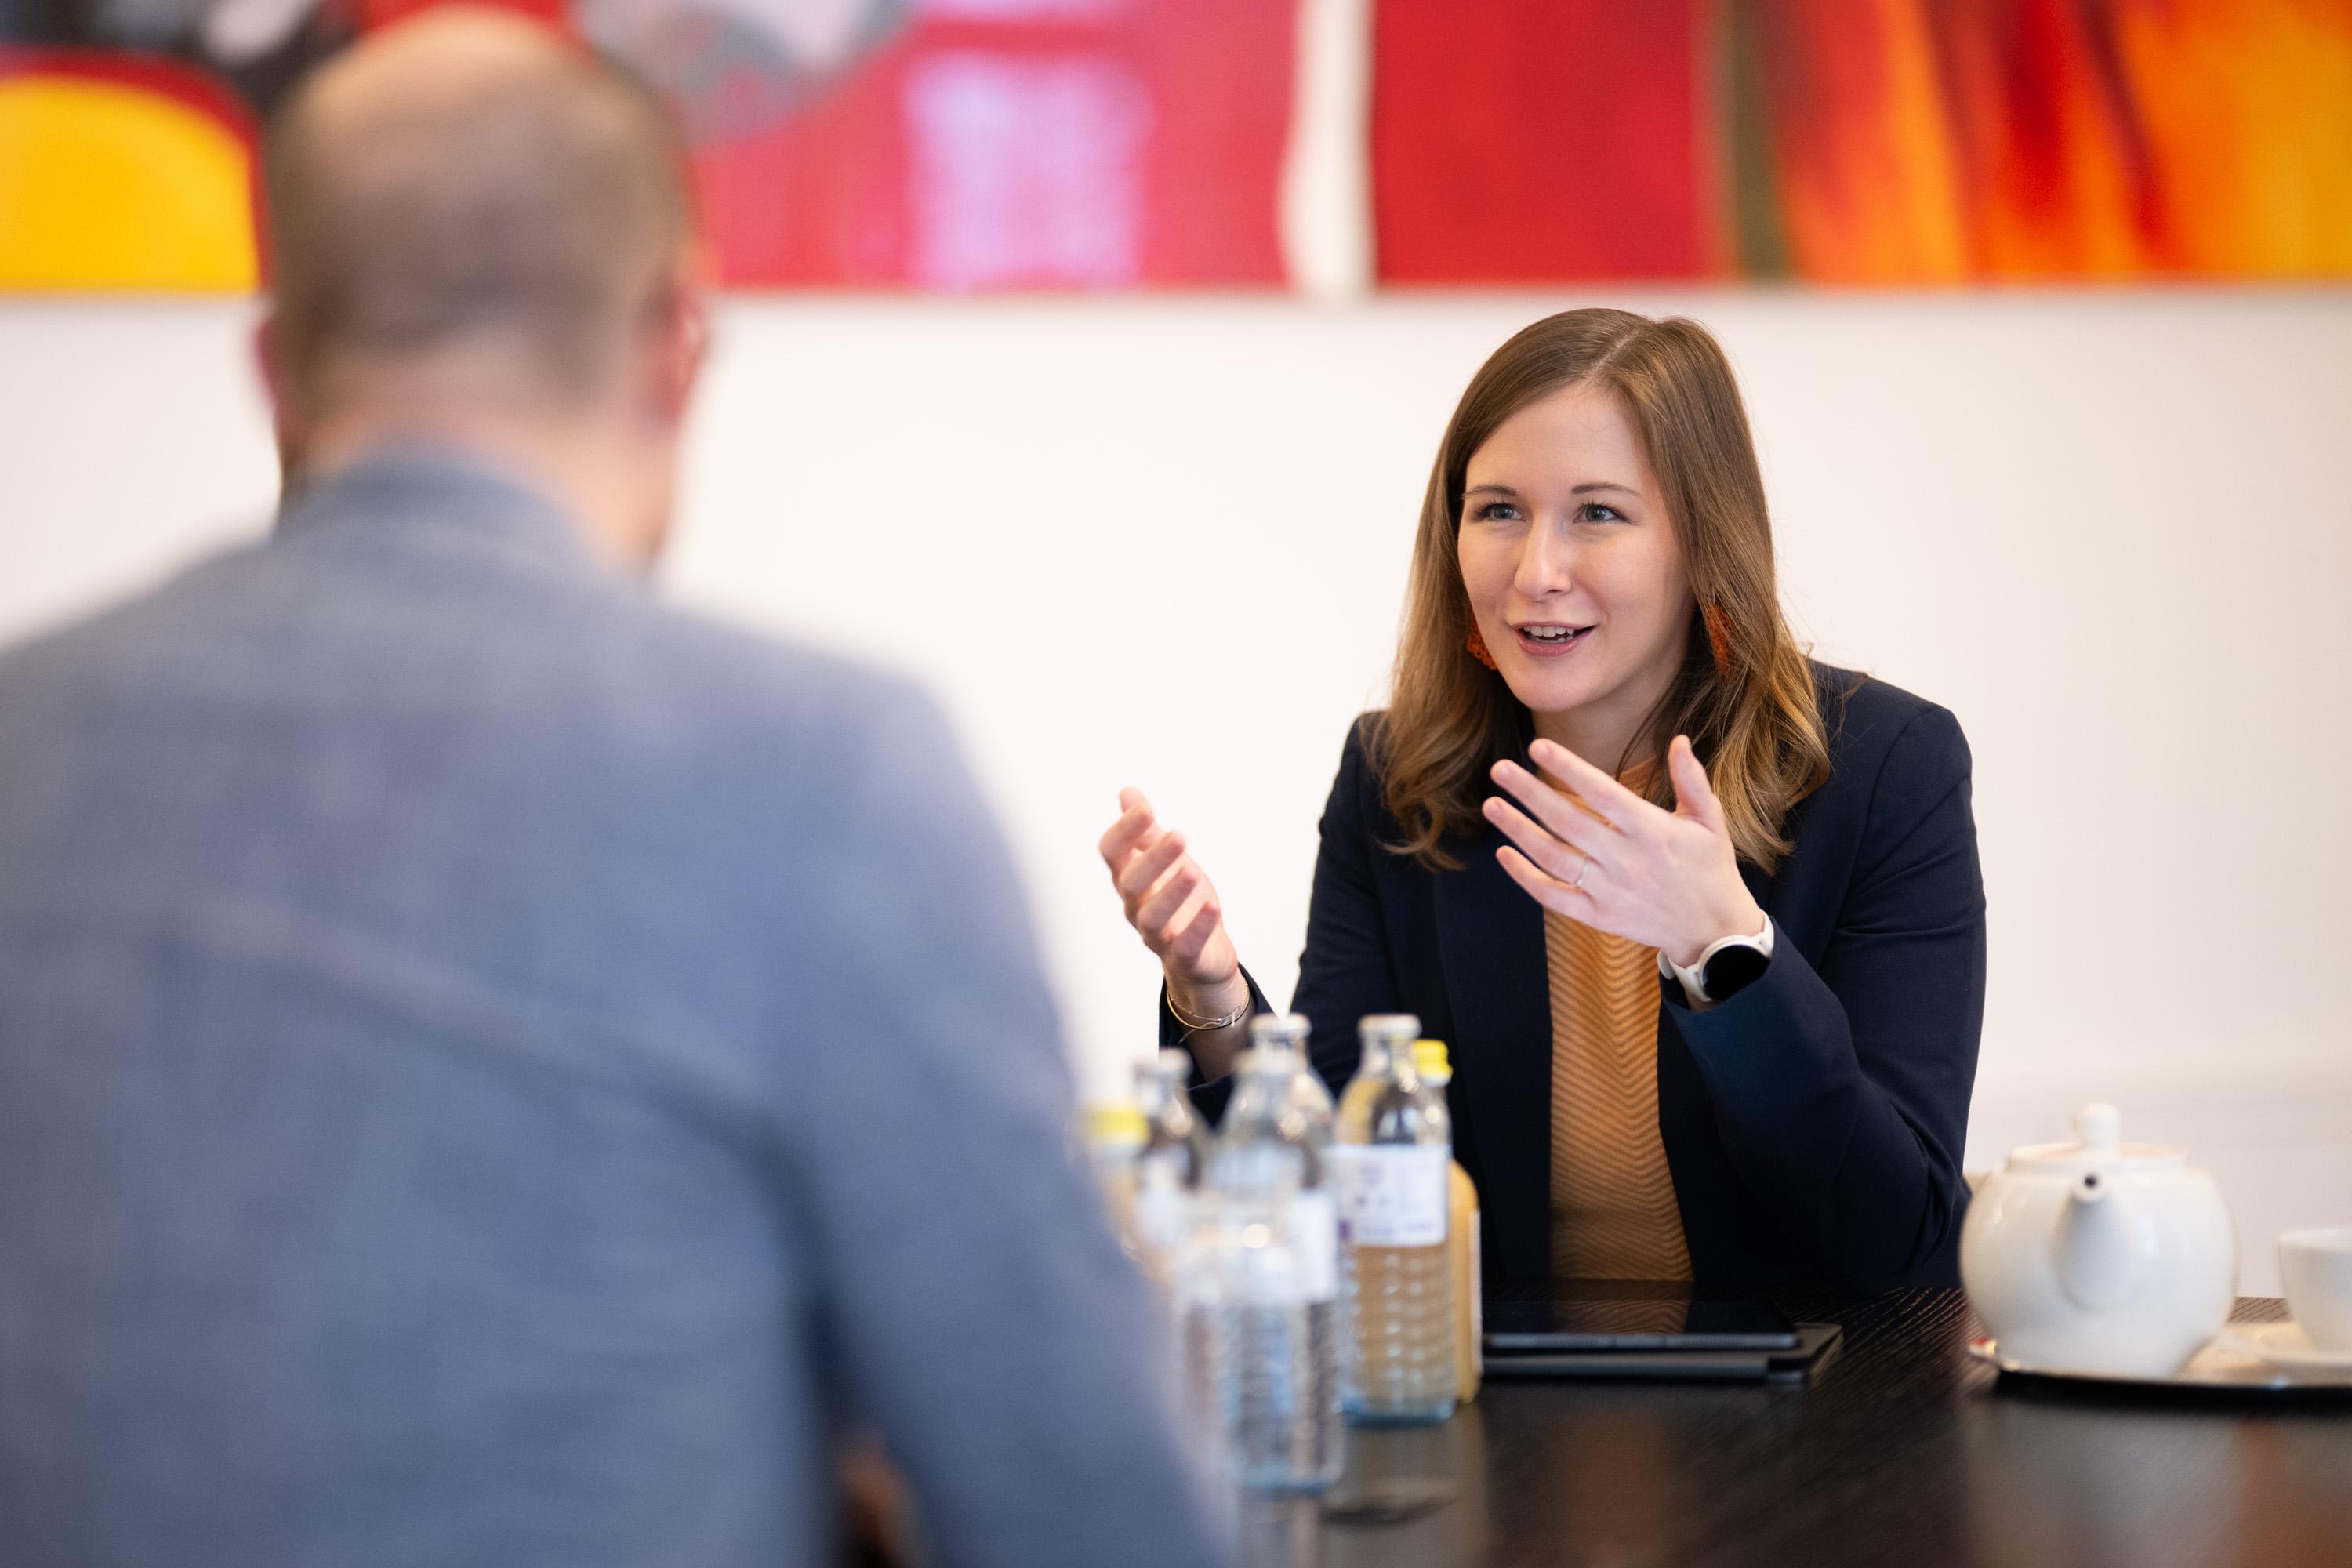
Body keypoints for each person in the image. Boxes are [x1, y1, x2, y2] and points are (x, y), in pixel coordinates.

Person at [0, 14, 1228, 1568]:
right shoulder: (827, 769)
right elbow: (1086, 1513)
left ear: (273, 367)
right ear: (676, 344)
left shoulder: (21, 735)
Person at [1102, 310, 1984, 1293]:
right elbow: (1338, 1196)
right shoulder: (1401, 778)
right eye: (1498, 511)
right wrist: (1214, 997)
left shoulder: (1884, 768)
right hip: (1500, 1418)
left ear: (1700, 543)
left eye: (1598, 513)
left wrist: (1729, 952)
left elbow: (1898, 1235)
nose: (1536, 572)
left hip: (1810, 1427)